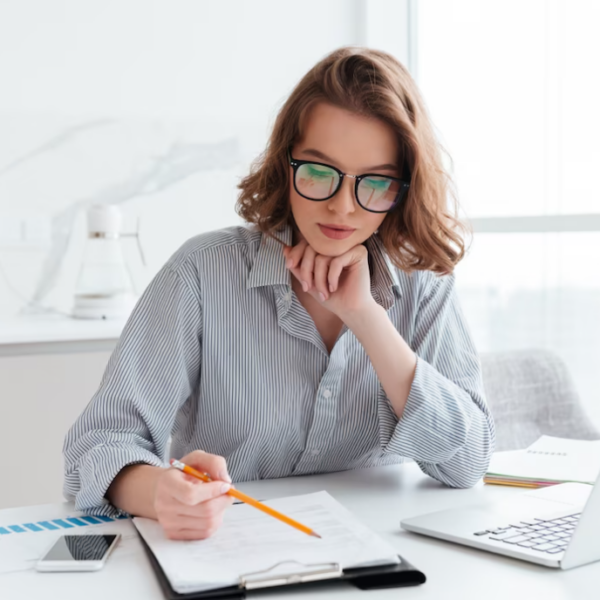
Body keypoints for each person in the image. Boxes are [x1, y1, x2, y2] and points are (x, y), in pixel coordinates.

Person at [63, 46, 495, 541]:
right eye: (318, 172)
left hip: (384, 557)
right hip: (229, 555)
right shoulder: (203, 273)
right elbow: (96, 446)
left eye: (374, 183)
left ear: (403, 187)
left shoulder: (423, 282)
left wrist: (366, 317)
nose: (342, 207)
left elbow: (468, 460)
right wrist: (161, 491)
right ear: (285, 164)